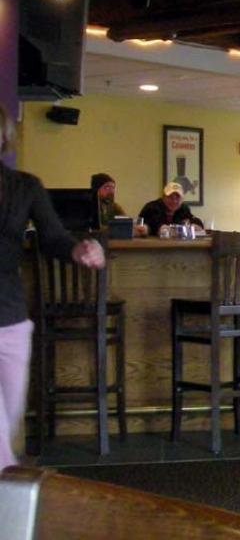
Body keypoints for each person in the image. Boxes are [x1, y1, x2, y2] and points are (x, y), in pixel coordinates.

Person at [0, 104, 105, 469]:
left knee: (9, 415)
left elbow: (54, 238)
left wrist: (80, 249)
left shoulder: (25, 187)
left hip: (11, 318)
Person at [138, 182, 204, 236]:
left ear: (182, 200)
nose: (174, 201)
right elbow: (142, 227)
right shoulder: (151, 207)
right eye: (170, 197)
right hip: (151, 245)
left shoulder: (184, 208)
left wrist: (195, 225)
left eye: (177, 198)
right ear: (163, 197)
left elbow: (194, 220)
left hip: (177, 245)